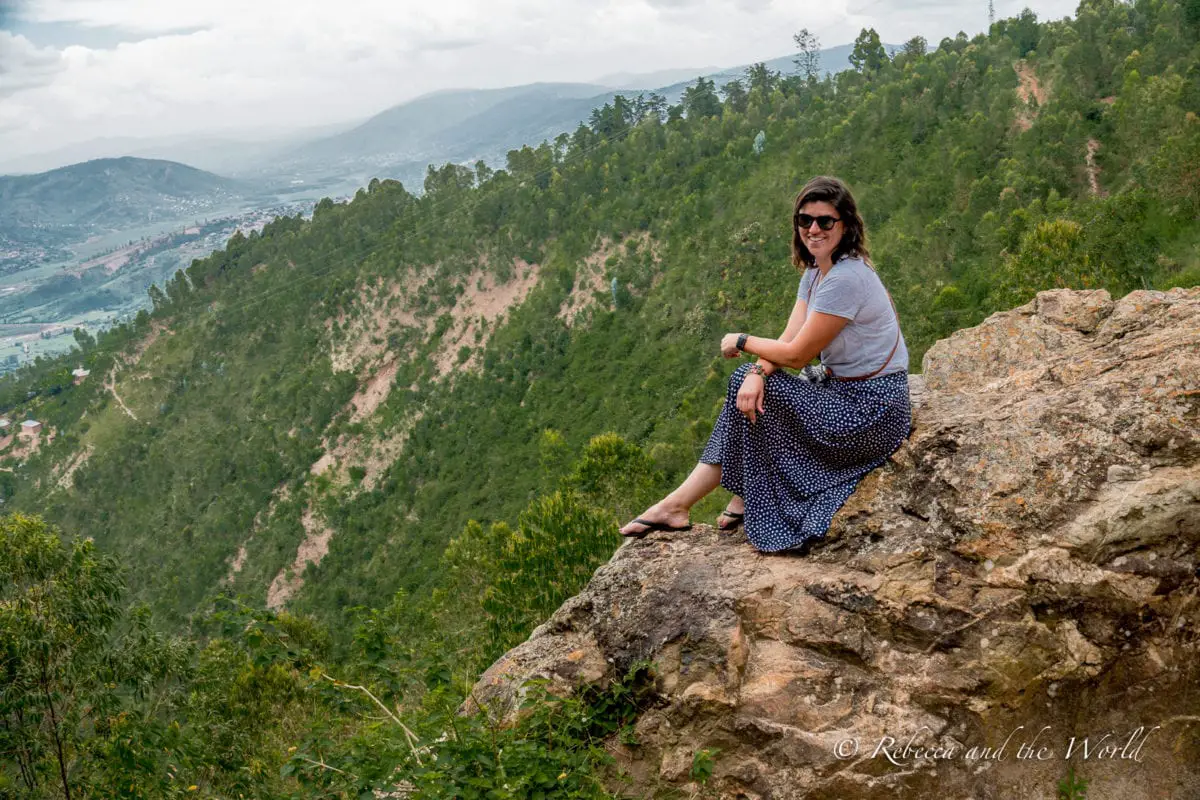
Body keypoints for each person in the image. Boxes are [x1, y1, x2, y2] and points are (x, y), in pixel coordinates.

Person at [619, 176, 912, 552]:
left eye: (825, 221)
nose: (813, 229)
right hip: (844, 395)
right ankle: (697, 501)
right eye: (805, 221)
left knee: (749, 384)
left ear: (847, 226)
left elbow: (795, 356)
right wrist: (758, 371)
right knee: (749, 386)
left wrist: (740, 341)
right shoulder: (816, 273)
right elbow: (787, 340)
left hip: (872, 413)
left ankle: (691, 502)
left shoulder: (846, 279)